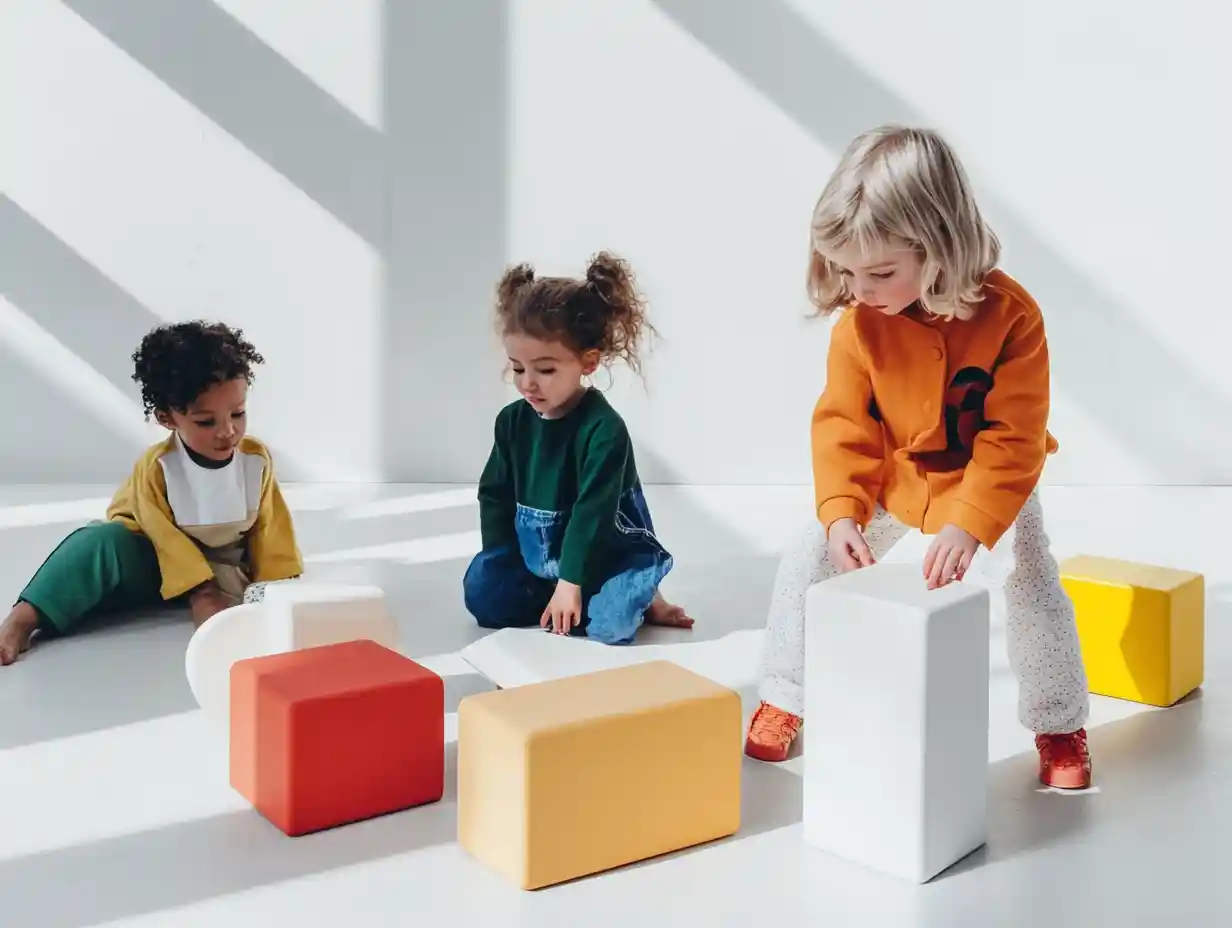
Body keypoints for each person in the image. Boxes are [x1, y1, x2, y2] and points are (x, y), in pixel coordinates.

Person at [745, 126, 1093, 789]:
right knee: (807, 555)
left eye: (880, 273)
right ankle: (785, 696)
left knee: (1031, 583)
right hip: (895, 475)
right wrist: (843, 513)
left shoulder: (1012, 318)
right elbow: (843, 422)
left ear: (939, 248)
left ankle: (1058, 723)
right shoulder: (857, 323)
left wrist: (970, 523)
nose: (860, 288)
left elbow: (1014, 435)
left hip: (989, 482)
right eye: (846, 271)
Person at [0, 321, 303, 664]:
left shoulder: (255, 459)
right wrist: (201, 593)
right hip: (158, 563)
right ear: (166, 418)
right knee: (96, 541)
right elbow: (164, 538)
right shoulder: (159, 468)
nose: (228, 431)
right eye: (207, 422)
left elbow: (270, 527)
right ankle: (24, 618)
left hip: (225, 568)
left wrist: (273, 590)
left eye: (238, 413)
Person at [463, 252, 693, 644]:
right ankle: (558, 595)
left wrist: (571, 584)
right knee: (483, 594)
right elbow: (494, 495)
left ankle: (640, 588)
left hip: (603, 554)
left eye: (546, 369)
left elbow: (593, 514)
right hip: (539, 560)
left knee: (612, 627)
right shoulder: (512, 422)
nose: (528, 383)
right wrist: (501, 561)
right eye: (518, 368)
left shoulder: (604, 430)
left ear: (588, 363)